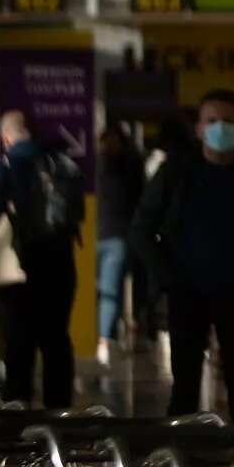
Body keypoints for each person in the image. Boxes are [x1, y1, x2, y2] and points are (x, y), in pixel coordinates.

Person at [130, 90, 234, 424]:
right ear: (199, 128)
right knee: (184, 387)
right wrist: (168, 279)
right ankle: (185, 459)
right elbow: (142, 229)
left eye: (229, 121)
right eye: (212, 121)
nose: (221, 128)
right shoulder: (177, 171)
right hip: (188, 292)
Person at [0, 112, 82, 407]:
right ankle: (59, 414)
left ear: (5, 138)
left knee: (19, 346)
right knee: (56, 341)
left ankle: (18, 418)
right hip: (60, 265)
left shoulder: (4, 169)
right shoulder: (62, 164)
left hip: (18, 267)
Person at [95, 126, 144, 356]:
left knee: (107, 291)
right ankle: (104, 338)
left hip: (104, 236)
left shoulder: (91, 166)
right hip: (114, 236)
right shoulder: (131, 166)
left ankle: (104, 337)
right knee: (109, 291)